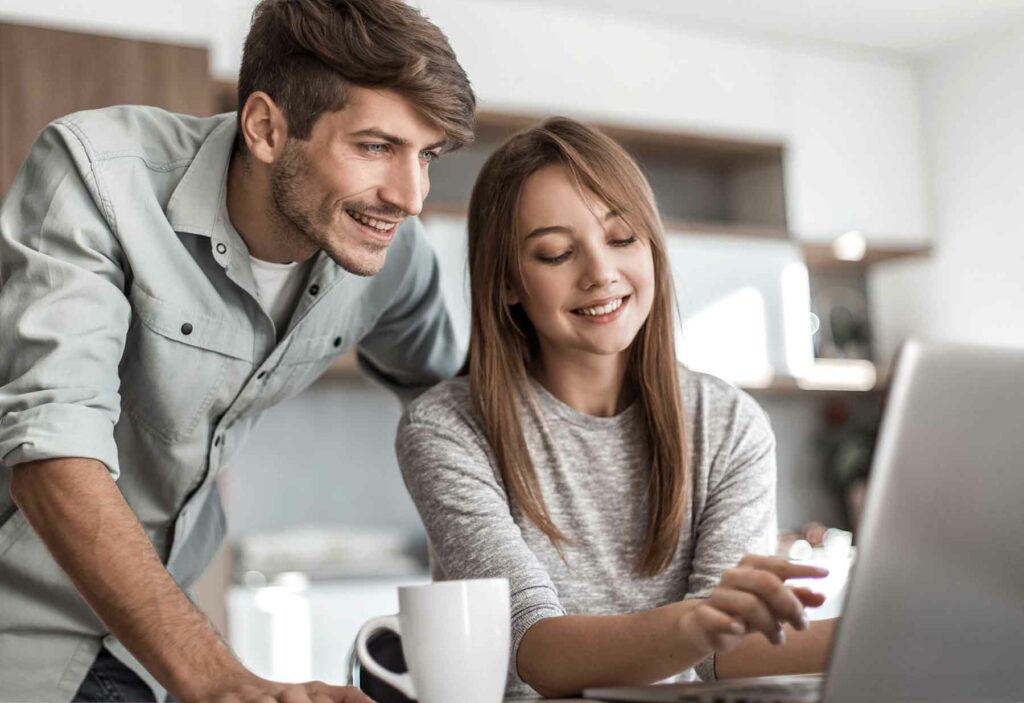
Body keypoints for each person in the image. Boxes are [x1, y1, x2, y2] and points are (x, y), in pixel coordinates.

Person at [0, 1, 474, 701]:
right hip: (23, 629)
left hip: (152, 650)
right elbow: (52, 450)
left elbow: (467, 416)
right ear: (266, 127)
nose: (411, 195)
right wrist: (223, 680)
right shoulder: (99, 177)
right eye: (376, 146)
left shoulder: (393, 257)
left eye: (426, 154)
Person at [396, 118, 837, 699]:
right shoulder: (448, 428)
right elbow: (534, 650)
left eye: (622, 238)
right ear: (507, 281)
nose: (601, 274)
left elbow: (729, 655)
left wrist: (906, 630)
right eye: (555, 253)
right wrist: (698, 622)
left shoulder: (728, 424)